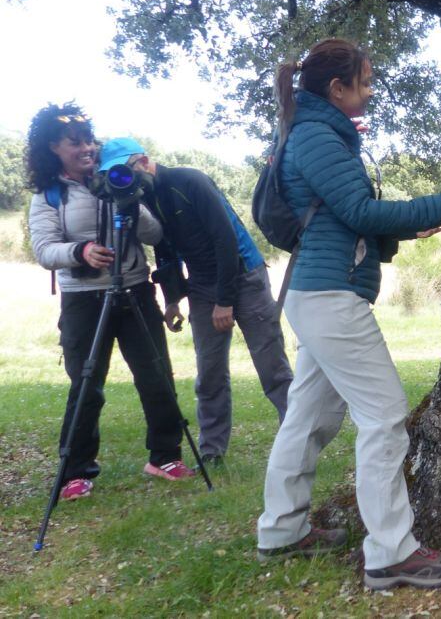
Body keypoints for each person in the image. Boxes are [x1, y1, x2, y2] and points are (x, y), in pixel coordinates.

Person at [254, 38, 441, 591]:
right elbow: (358, 211)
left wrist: (415, 222)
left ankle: (281, 529)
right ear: (338, 89)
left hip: (319, 296)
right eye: (366, 81)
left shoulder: (315, 133)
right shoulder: (317, 136)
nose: (371, 91)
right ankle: (392, 553)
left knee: (308, 418)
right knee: (383, 414)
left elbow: (344, 221)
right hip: (330, 298)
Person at [26, 103, 196, 502]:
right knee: (87, 385)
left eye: (89, 141)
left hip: (135, 289)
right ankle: (76, 471)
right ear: (54, 147)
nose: (86, 148)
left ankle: (165, 456)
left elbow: (155, 236)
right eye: (75, 143)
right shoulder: (49, 195)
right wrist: (80, 252)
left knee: (156, 374)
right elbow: (44, 249)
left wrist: (129, 200)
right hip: (83, 300)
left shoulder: (115, 181)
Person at [96, 138, 295, 467]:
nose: (124, 179)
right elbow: (164, 247)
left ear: (144, 160)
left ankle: (297, 438)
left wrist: (225, 301)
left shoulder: (190, 181)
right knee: (210, 373)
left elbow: (225, 238)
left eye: (126, 169)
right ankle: (212, 451)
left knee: (271, 365)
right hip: (201, 285)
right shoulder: (145, 197)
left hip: (243, 275)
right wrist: (173, 298)